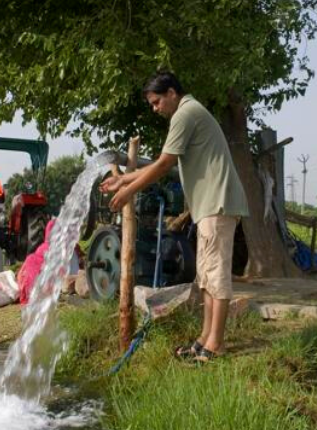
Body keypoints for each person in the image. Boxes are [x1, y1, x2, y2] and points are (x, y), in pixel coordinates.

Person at [100, 71, 249, 363]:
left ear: (171, 93)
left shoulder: (185, 114)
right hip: (209, 206)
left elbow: (164, 164)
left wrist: (128, 189)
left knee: (216, 277)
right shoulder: (190, 112)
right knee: (205, 278)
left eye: (156, 102)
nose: (155, 109)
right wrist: (122, 181)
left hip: (217, 204)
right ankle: (204, 340)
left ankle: (215, 345)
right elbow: (162, 162)